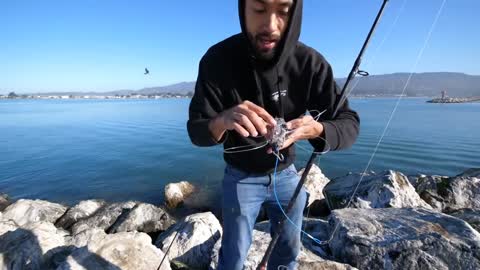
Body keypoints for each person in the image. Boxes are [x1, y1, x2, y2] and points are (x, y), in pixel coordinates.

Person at [187, 0, 360, 269]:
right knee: (233, 258)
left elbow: (349, 124)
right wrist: (222, 120)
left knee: (289, 250)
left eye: (283, 11)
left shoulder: (310, 63)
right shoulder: (217, 60)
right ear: (242, 9)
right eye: (258, 9)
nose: (270, 24)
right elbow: (196, 131)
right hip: (240, 178)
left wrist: (318, 129)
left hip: (287, 175)